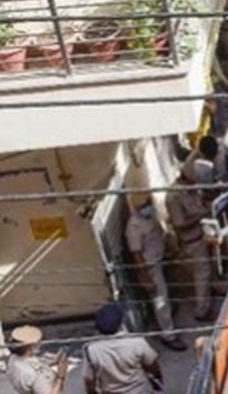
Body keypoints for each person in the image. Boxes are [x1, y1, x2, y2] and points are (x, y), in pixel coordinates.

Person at [124, 194, 185, 351]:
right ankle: (168, 335)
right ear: (137, 207)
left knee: (165, 296)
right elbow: (137, 255)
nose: (148, 206)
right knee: (160, 301)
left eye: (148, 202)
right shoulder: (134, 226)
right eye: (145, 204)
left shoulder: (149, 217)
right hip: (150, 268)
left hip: (159, 260)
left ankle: (167, 317)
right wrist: (145, 278)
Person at [167, 159, 216, 322]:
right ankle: (202, 310)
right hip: (192, 241)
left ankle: (210, 293)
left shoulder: (191, 188)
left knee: (208, 272)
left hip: (203, 234)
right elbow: (179, 224)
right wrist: (200, 216)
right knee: (201, 275)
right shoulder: (173, 197)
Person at [83, 304, 163, 394]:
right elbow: (153, 368)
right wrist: (158, 389)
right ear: (121, 324)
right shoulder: (137, 342)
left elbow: (89, 382)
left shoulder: (91, 350)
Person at [6, 326, 67, 394]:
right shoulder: (34, 375)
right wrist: (61, 375)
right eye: (36, 342)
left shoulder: (13, 359)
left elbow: (32, 363)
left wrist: (52, 362)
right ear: (28, 347)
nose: (38, 344)